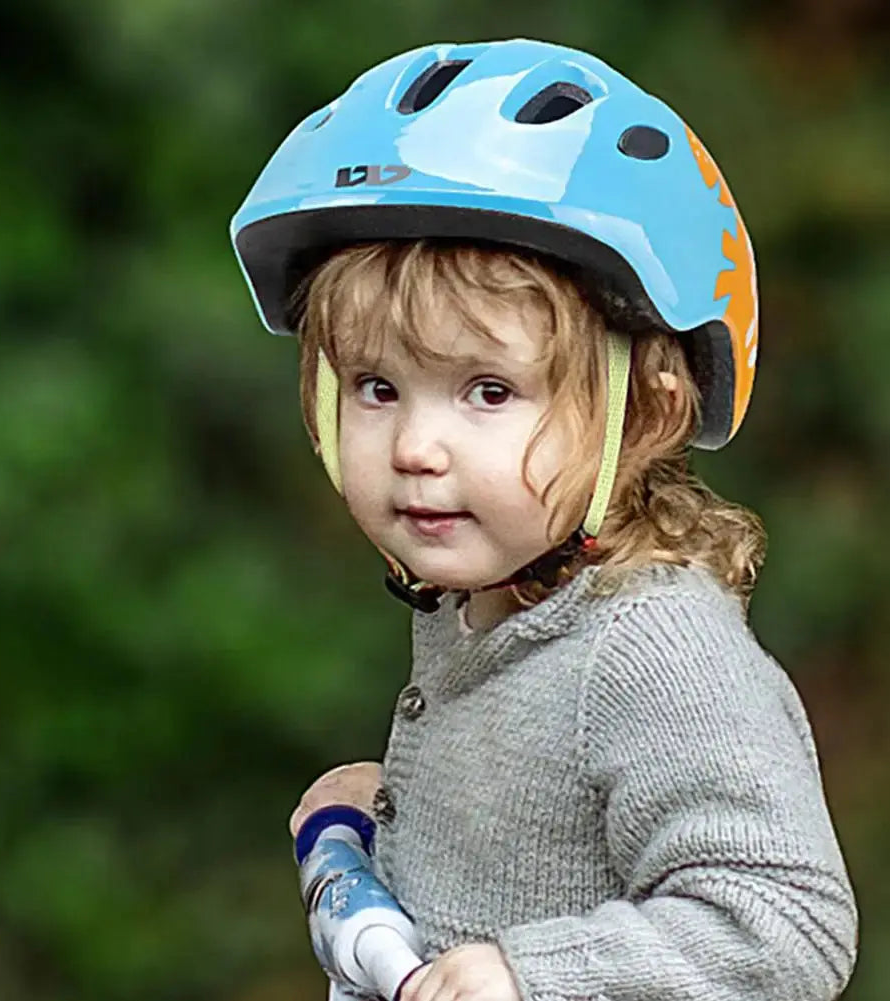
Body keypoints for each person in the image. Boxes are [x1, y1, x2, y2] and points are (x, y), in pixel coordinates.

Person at [231, 38, 858, 1001]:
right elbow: (540, 840)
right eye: (377, 385)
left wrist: (533, 975)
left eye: (487, 390)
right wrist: (392, 826)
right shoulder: (480, 599)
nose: (415, 447)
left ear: (640, 412)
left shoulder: (653, 650)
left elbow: (785, 923)